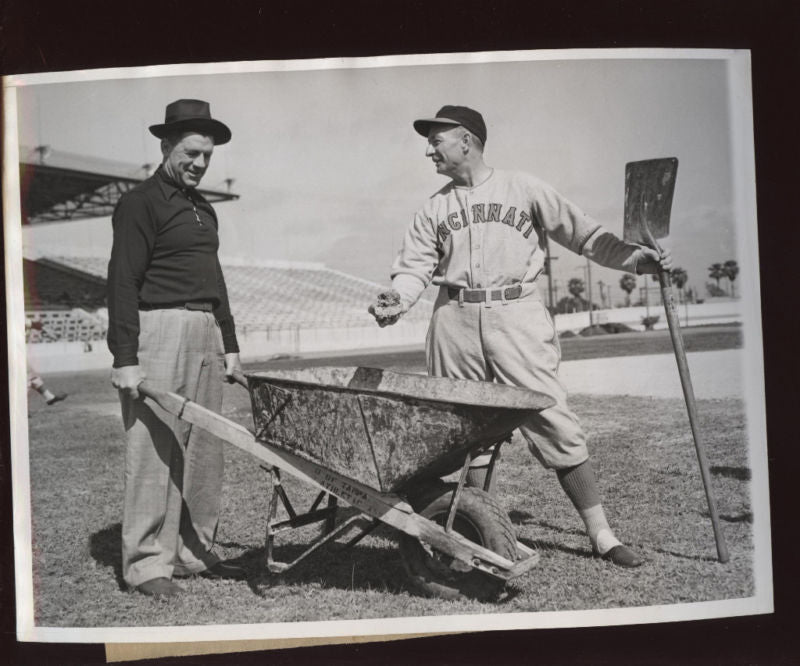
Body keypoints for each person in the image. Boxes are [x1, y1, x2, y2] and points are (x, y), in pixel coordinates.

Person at [369, 105, 673, 568]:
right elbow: (413, 270)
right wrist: (398, 298)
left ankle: (601, 534)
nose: (429, 149)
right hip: (454, 317)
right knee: (461, 429)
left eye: (437, 140)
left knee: (552, 418)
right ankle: (471, 527)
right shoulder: (434, 207)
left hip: (517, 313)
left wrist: (637, 260)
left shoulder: (525, 188)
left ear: (466, 141)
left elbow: (586, 236)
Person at [107, 99, 245, 598]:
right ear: (166, 147)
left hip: (205, 329)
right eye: (191, 153)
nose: (199, 163)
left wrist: (229, 343)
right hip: (159, 328)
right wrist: (125, 357)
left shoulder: (203, 208)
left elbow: (216, 279)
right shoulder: (140, 202)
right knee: (154, 449)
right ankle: (146, 564)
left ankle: (193, 554)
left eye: (206, 156)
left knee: (205, 448)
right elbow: (122, 280)